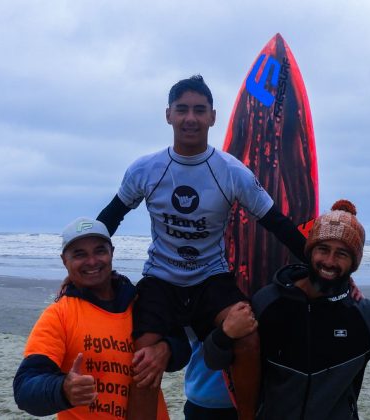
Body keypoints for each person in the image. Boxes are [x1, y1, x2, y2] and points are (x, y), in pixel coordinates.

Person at [96, 74, 311, 420]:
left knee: (249, 336)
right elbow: (108, 220)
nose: (190, 118)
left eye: (199, 110)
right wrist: (82, 272)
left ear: (213, 116)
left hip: (211, 279)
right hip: (161, 279)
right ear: (168, 115)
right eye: (182, 110)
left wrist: (317, 264)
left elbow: (276, 223)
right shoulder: (146, 169)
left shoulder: (230, 172)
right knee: (142, 357)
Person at [204, 199, 370, 419]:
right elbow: (214, 360)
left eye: (342, 254)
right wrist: (224, 335)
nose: (330, 262)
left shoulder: (363, 315)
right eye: (323, 249)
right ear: (310, 251)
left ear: (354, 263)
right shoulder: (269, 301)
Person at [13, 217, 190, 419]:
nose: (92, 261)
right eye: (80, 254)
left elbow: (182, 348)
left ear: (111, 253)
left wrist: (166, 349)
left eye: (100, 251)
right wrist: (63, 389)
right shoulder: (58, 316)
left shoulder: (140, 302)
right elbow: (25, 389)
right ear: (64, 261)